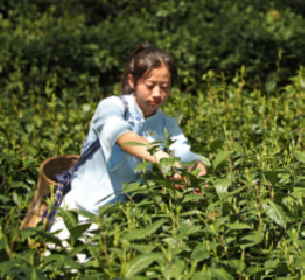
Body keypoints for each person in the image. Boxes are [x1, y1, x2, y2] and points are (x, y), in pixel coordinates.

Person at [48, 44, 206, 252]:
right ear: (133, 81)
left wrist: (198, 174)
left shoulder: (167, 124)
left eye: (165, 86)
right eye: (150, 85)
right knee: (61, 273)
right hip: (81, 212)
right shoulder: (112, 107)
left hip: (123, 221)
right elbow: (123, 138)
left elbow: (186, 155)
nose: (158, 93)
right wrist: (163, 159)